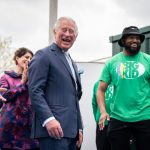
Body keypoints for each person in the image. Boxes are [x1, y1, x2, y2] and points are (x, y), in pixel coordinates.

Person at [28, 16, 83, 150]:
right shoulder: (43, 55)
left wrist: (79, 127)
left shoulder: (72, 62)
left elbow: (74, 98)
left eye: (72, 32)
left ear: (76, 37)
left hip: (72, 133)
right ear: (55, 32)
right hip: (52, 130)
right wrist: (49, 119)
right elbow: (35, 91)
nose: (68, 34)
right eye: (64, 30)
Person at [96, 26, 150, 150]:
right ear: (123, 41)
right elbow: (100, 90)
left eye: (137, 38)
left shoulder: (148, 60)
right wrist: (103, 112)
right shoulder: (112, 62)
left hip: (145, 117)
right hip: (118, 118)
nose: (135, 40)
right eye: (131, 37)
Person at [0, 47, 40, 150]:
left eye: (31, 58)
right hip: (11, 127)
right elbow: (4, 97)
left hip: (30, 127)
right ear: (17, 59)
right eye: (26, 57)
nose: (29, 60)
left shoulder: (34, 79)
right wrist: (22, 82)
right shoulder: (6, 77)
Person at [92, 80, 112, 150]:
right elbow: (94, 104)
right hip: (102, 125)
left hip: (119, 124)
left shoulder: (120, 83)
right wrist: (98, 119)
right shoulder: (97, 84)